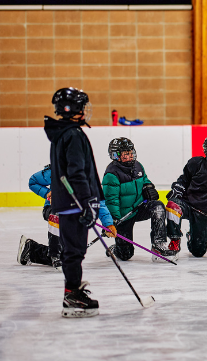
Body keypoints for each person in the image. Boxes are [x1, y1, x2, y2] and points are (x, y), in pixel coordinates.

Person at [44, 87, 104, 318]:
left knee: (73, 250)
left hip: (70, 202)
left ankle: (73, 291)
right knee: (74, 251)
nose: (86, 110)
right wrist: (87, 201)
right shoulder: (73, 135)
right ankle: (72, 296)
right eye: (83, 105)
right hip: (76, 203)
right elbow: (77, 173)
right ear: (73, 109)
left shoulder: (62, 133)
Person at [18, 165, 116, 271]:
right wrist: (48, 194)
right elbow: (33, 182)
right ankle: (55, 255)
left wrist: (108, 224)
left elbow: (99, 203)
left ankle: (30, 250)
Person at [102, 137, 176, 262]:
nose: (131, 156)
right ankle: (116, 248)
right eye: (126, 154)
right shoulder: (111, 174)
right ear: (116, 156)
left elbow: (145, 180)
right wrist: (113, 219)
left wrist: (148, 187)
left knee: (158, 207)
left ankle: (158, 245)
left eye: (131, 152)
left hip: (139, 207)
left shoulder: (138, 166)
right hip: (123, 215)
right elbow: (111, 200)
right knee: (126, 255)